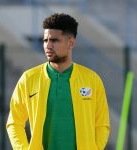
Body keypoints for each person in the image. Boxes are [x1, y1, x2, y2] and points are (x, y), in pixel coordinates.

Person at [6, 13, 110, 150]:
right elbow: (14, 123)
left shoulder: (92, 80)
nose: (48, 46)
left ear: (71, 42)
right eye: (45, 40)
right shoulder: (29, 79)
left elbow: (102, 124)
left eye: (54, 40)